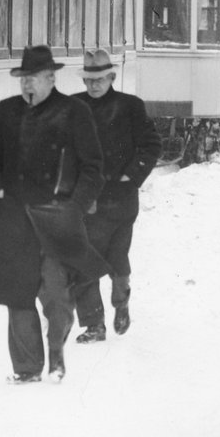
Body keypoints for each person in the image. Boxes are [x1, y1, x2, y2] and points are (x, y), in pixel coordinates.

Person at [0, 45, 106, 384]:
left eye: (32, 79)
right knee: (17, 294)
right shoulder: (7, 111)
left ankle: (57, 348)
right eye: (23, 80)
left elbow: (93, 168)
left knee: (57, 298)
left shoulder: (74, 111)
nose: (26, 86)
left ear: (51, 79)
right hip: (16, 218)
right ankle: (27, 369)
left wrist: (75, 208)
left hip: (56, 216)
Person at [70, 48, 162, 343]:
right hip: (88, 200)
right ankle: (94, 324)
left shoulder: (130, 106)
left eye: (99, 79)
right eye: (88, 80)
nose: (93, 85)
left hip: (121, 200)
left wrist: (131, 175)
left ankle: (121, 303)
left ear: (111, 77)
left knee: (117, 259)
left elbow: (151, 145)